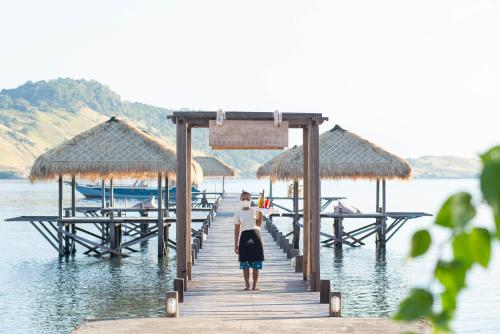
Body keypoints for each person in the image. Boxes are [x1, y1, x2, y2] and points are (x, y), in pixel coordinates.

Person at [233, 191, 264, 291]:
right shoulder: (238, 213)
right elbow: (237, 229)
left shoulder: (255, 210)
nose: (245, 200)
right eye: (243, 199)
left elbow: (259, 224)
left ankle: (254, 286)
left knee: (256, 263)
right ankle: (247, 285)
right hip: (244, 236)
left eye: (247, 199)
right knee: (245, 263)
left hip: (256, 236)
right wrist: (235, 244)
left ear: (251, 200)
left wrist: (260, 211)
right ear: (240, 200)